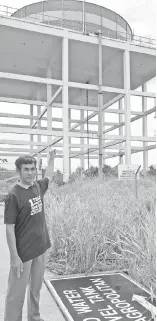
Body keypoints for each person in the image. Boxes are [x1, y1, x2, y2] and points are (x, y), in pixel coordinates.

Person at [4, 149, 56, 321]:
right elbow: (9, 228)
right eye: (26, 169)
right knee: (15, 294)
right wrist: (14, 256)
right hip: (23, 252)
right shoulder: (13, 195)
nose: (30, 172)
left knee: (35, 289)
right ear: (18, 171)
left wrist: (51, 158)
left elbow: (49, 175)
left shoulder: (37, 187)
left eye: (33, 169)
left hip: (40, 248)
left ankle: (34, 317)